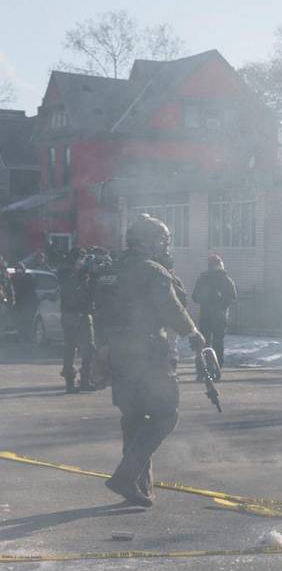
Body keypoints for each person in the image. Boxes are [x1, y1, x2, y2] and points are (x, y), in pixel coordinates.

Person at [92, 214, 204, 507]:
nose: (165, 247)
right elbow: (172, 307)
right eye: (162, 242)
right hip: (148, 353)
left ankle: (138, 487)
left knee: (133, 418)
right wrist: (192, 332)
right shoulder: (153, 271)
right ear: (151, 242)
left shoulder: (110, 270)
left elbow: (100, 313)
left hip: (118, 353)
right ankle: (127, 477)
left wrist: (102, 349)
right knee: (166, 414)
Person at [57, 247, 95, 392]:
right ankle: (70, 383)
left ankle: (85, 380)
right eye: (82, 258)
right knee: (71, 349)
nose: (84, 262)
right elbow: (71, 290)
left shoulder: (83, 274)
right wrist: (83, 272)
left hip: (82, 314)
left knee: (88, 349)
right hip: (72, 315)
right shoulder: (67, 273)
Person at [191, 254, 237, 371]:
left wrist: (206, 299)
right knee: (217, 342)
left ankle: (205, 367)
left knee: (205, 343)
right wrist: (221, 303)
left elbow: (195, 297)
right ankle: (216, 366)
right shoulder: (225, 279)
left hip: (207, 316)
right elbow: (232, 297)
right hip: (219, 316)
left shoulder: (203, 278)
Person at [12, 264, 37, 342]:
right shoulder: (14, 278)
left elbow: (33, 287)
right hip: (20, 303)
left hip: (27, 302)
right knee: (21, 320)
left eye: (20, 269)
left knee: (27, 320)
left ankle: (27, 336)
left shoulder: (28, 277)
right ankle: (23, 336)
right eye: (18, 269)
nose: (19, 271)